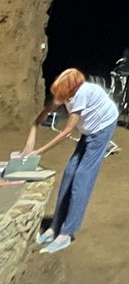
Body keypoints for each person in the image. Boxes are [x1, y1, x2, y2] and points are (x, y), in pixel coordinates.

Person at [23, 68, 118, 254]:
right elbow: (43, 114)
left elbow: (66, 132)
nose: (58, 99)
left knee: (82, 177)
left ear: (71, 90)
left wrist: (38, 152)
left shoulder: (80, 95)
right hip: (88, 129)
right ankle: (55, 226)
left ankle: (66, 233)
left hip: (101, 129)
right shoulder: (66, 94)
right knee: (69, 174)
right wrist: (31, 136)